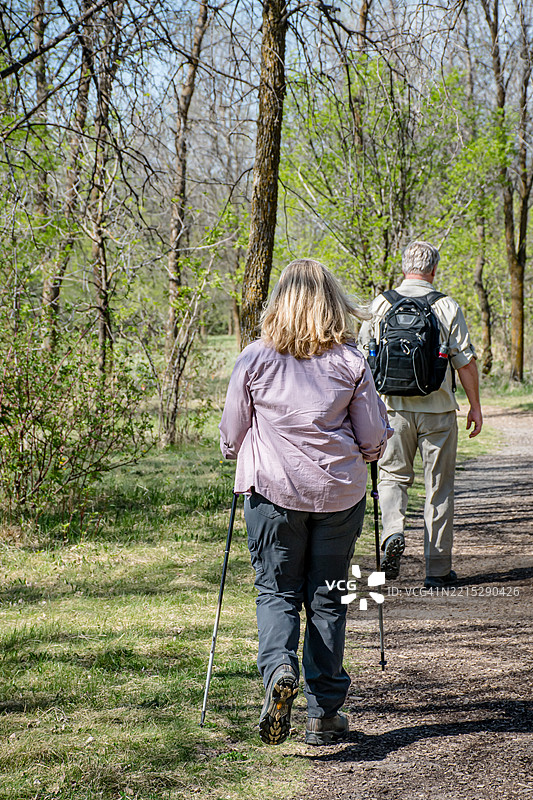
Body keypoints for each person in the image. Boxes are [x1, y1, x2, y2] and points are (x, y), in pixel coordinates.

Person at [219, 259, 391, 746]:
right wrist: (372, 449)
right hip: (340, 495)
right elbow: (374, 438)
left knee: (276, 591)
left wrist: (239, 449)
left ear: (280, 302)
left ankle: (278, 674)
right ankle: (325, 712)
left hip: (271, 493)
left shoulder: (254, 358)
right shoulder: (351, 361)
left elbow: (231, 434)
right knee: (329, 596)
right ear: (332, 303)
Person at [358, 241, 483, 588]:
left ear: (404, 267)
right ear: (434, 269)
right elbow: (465, 362)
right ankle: (438, 570)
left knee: (392, 478)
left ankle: (393, 533)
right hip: (439, 410)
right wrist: (474, 405)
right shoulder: (446, 306)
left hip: (392, 410)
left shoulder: (381, 304)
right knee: (438, 488)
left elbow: (362, 361)